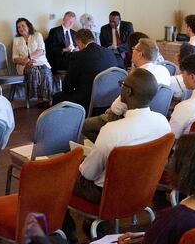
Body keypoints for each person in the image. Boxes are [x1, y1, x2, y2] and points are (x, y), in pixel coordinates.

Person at [72, 68, 171, 204]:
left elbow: (88, 174)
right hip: (143, 188)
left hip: (108, 195)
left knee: (65, 172)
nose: (121, 87)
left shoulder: (112, 130)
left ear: (128, 92)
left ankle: (64, 216)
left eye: (122, 84)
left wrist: (79, 164)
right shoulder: (163, 122)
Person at [82, 38, 171, 142]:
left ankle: (109, 146)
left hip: (131, 120)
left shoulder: (138, 75)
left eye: (134, 49)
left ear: (140, 55)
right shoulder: (164, 70)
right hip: (153, 117)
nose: (132, 51)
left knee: (84, 125)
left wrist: (109, 112)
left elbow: (117, 108)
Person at [52, 29, 118, 110]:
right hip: (110, 99)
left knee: (57, 97)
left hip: (88, 102)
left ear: (79, 42)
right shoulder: (110, 53)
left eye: (77, 45)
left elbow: (67, 86)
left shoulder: (78, 56)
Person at [11, 18, 52, 106]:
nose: (21, 28)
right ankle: (36, 99)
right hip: (24, 65)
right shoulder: (16, 40)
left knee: (45, 70)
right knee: (32, 70)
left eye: (23, 26)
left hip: (40, 62)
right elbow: (14, 58)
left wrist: (29, 58)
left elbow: (41, 50)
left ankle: (47, 98)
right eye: (18, 27)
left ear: (28, 26)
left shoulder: (37, 35)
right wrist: (26, 62)